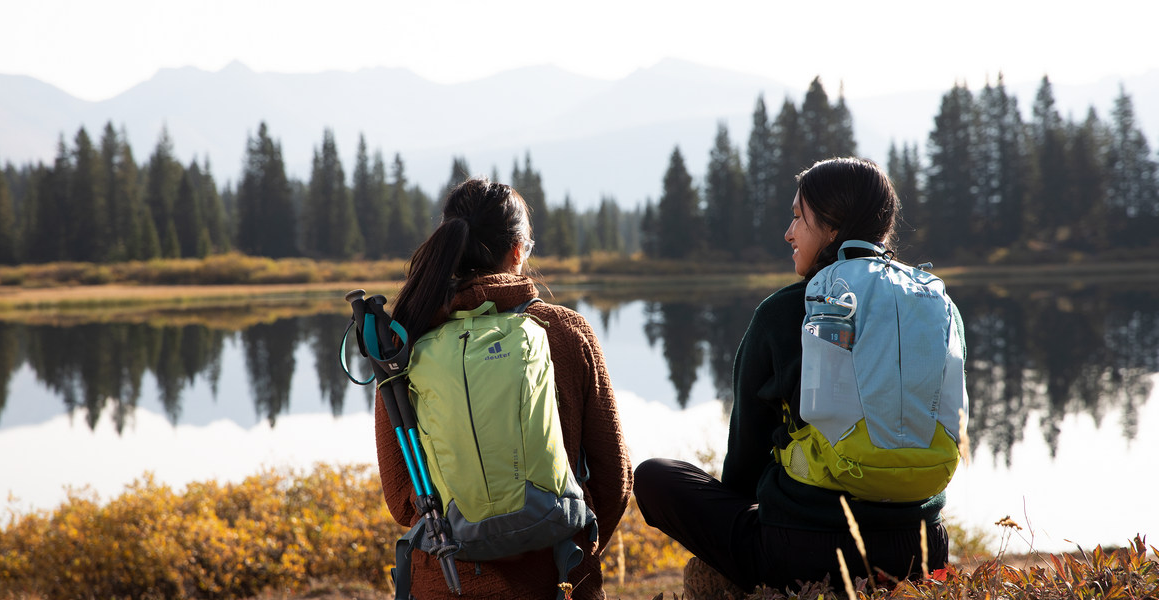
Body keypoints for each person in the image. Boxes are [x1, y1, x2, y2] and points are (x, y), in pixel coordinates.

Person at [633, 158, 953, 592]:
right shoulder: (931, 306)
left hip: (804, 552)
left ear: (833, 229)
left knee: (653, 476)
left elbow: (744, 465)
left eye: (798, 217)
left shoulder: (785, 311)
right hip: (922, 548)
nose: (789, 232)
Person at [375, 177, 632, 600]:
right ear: (518, 251)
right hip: (558, 577)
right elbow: (615, 480)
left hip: (445, 582)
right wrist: (572, 544)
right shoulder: (567, 331)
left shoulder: (408, 344)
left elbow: (404, 500)